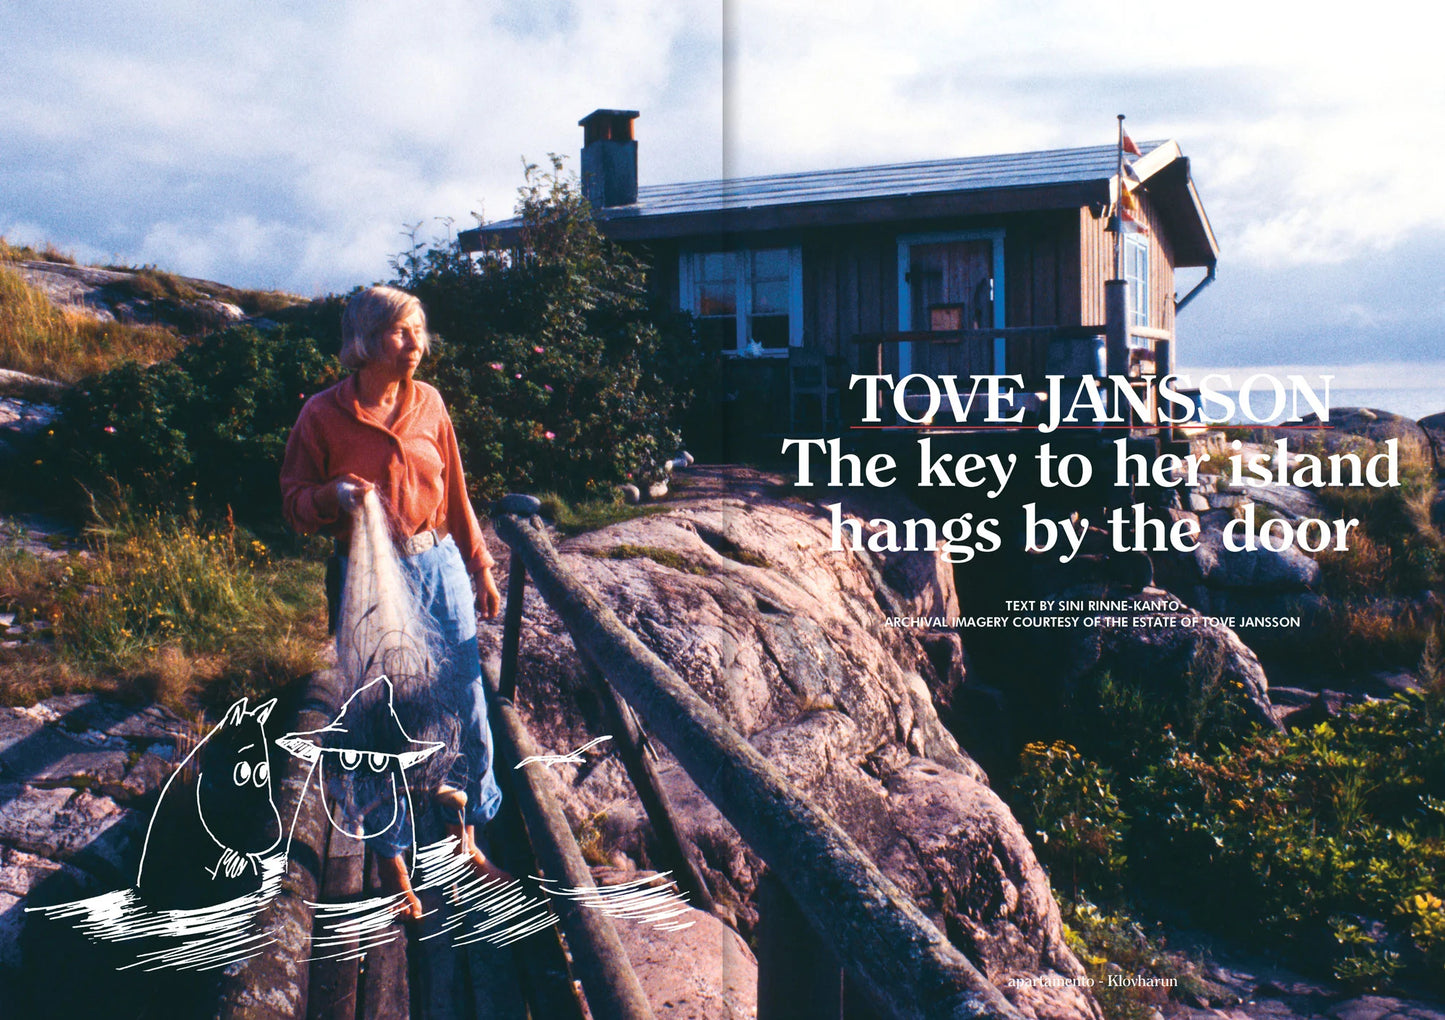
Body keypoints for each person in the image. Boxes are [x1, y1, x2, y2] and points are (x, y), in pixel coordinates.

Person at [280, 285, 507, 918]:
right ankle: (393, 859)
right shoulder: (322, 416)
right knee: (379, 721)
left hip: (438, 567)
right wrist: (329, 498)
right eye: (401, 333)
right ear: (365, 339)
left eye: (419, 331)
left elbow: (457, 492)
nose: (416, 344)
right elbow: (293, 503)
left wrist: (481, 566)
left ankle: (470, 831)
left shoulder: (429, 403)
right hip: (364, 576)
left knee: (464, 698)